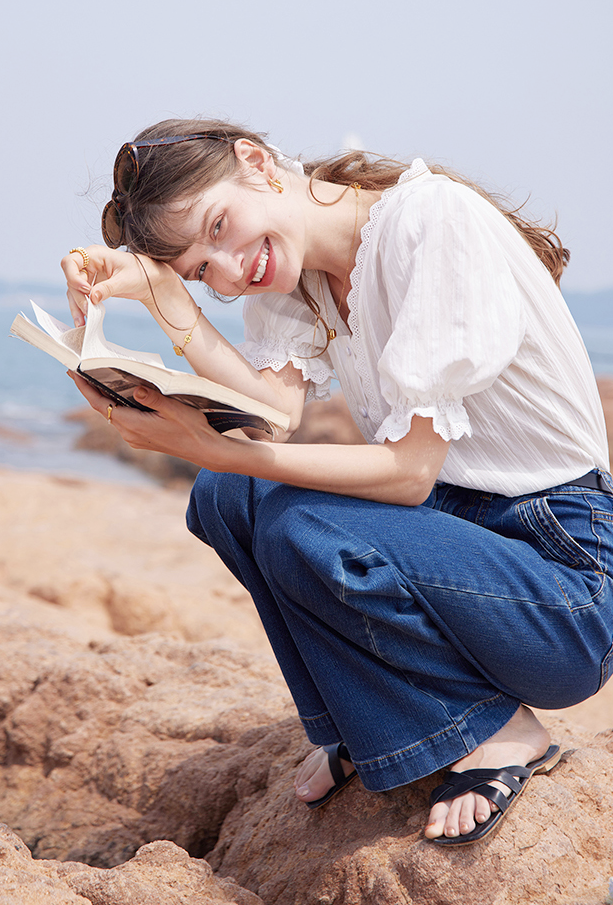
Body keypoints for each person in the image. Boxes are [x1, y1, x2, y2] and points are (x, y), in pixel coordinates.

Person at [61, 118, 613, 846]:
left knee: (294, 518)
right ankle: (365, 721)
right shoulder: (298, 273)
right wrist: (166, 300)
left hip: (561, 586)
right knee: (227, 498)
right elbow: (271, 418)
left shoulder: (429, 221)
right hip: (463, 547)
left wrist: (213, 448)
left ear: (256, 162)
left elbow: (409, 474)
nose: (229, 271)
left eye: (218, 227)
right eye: (200, 269)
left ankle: (501, 729)